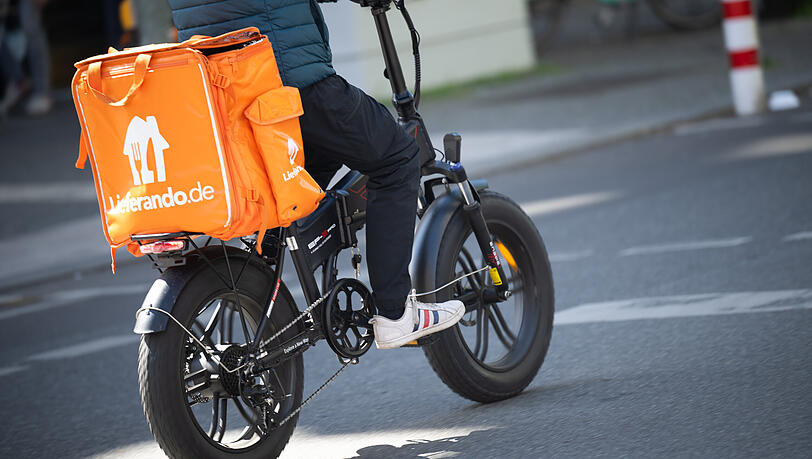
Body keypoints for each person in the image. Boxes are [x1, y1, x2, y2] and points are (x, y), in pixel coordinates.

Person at [167, 0, 464, 349]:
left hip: (222, 92)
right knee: (397, 158)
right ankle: (396, 315)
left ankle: (269, 277)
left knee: (307, 168)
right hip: (285, 79)